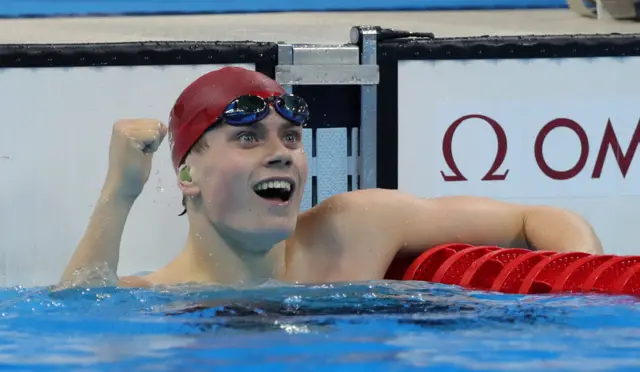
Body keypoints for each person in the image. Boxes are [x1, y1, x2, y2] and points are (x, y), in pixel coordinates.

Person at [59, 66, 603, 289]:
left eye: (291, 138)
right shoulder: (155, 298)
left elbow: (542, 218)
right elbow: (76, 320)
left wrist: (583, 305)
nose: (281, 154)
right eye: (249, 138)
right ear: (187, 174)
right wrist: (119, 193)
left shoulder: (356, 227)